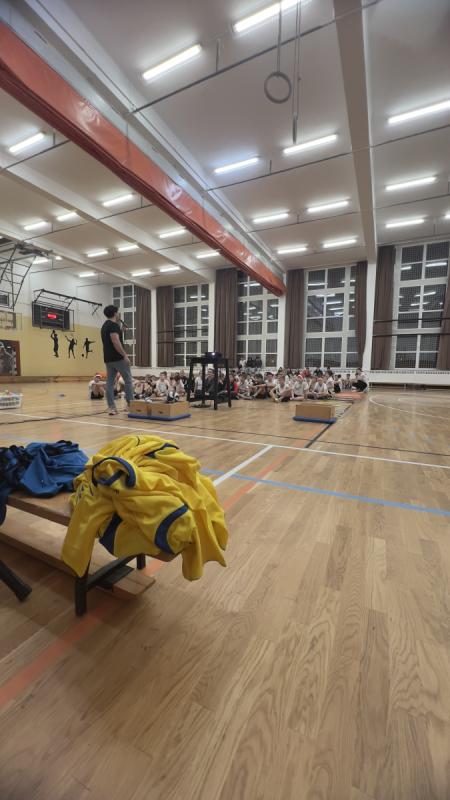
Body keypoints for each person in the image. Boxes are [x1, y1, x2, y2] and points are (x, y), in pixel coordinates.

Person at [101, 305, 134, 415]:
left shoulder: (105, 326)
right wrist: (124, 355)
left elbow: (113, 338)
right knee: (128, 381)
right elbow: (115, 341)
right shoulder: (114, 325)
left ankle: (112, 408)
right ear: (115, 313)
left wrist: (121, 331)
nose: (119, 314)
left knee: (110, 383)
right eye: (118, 312)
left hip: (108, 359)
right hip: (118, 358)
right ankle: (130, 405)